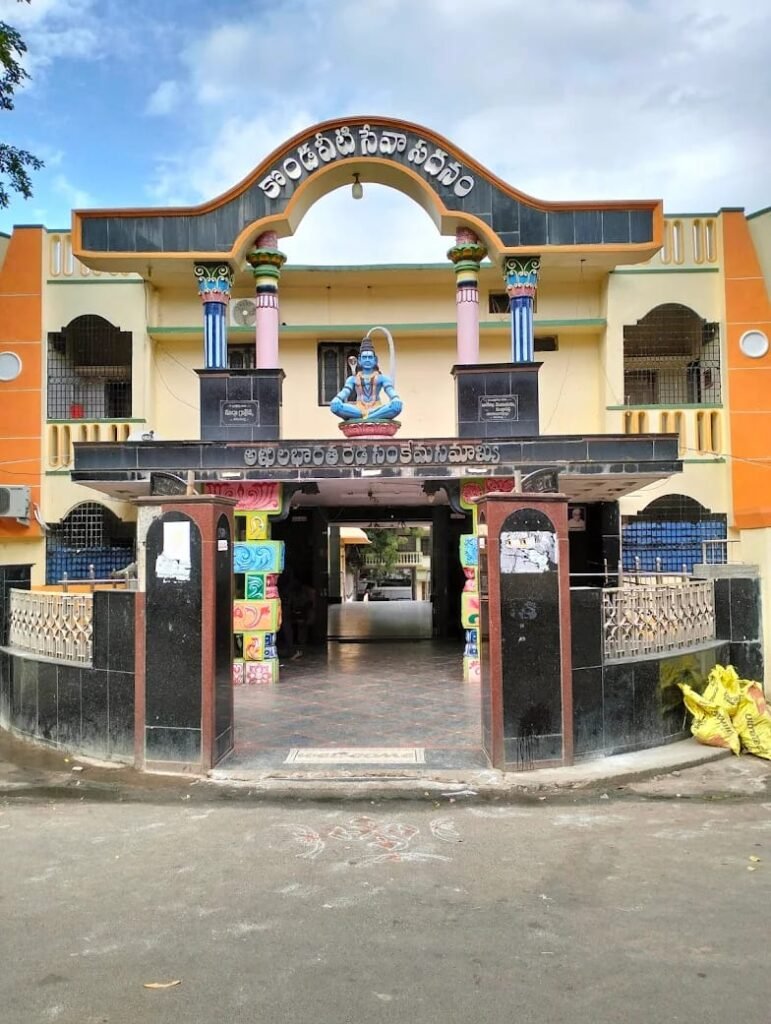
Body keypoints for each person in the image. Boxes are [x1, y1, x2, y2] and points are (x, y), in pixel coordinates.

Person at [330, 337, 402, 422]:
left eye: (370, 357)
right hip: (358, 410)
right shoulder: (352, 379)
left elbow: (390, 391)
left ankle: (367, 418)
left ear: (375, 360)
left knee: (396, 407)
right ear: (359, 360)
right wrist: (337, 399)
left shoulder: (382, 378)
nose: (367, 360)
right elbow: (345, 392)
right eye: (364, 357)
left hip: (377, 408)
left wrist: (395, 399)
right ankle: (372, 418)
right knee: (335, 407)